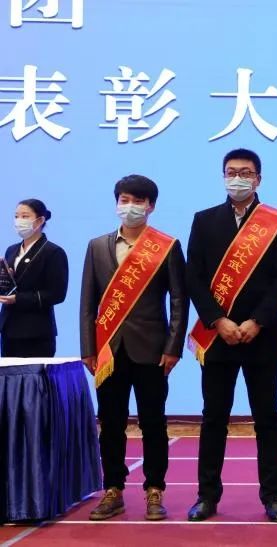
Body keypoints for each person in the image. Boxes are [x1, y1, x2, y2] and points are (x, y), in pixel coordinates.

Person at [186, 148, 277, 523]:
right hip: (218, 336)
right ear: (223, 177)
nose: (238, 178)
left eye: (246, 172)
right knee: (213, 418)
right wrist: (218, 320)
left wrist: (257, 321)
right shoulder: (204, 220)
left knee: (267, 418)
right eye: (231, 172)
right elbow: (194, 277)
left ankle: (273, 497)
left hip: (261, 335)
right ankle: (207, 496)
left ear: (258, 179)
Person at [80, 175, 188, 521]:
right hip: (109, 351)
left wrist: (173, 347)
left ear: (150, 206)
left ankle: (154, 490)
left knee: (153, 422)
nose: (130, 206)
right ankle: (113, 489)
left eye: (138, 201)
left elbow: (179, 300)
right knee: (110, 423)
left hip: (152, 349)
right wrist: (88, 348)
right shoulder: (97, 246)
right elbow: (88, 304)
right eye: (124, 199)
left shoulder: (166, 246)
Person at [0, 199, 68, 357]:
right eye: (16, 216)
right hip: (9, 328)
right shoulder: (12, 250)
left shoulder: (53, 252)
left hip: (36, 332)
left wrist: (19, 299)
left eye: (25, 216)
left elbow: (57, 294)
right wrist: (5, 279)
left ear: (40, 220)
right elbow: (12, 285)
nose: (19, 221)